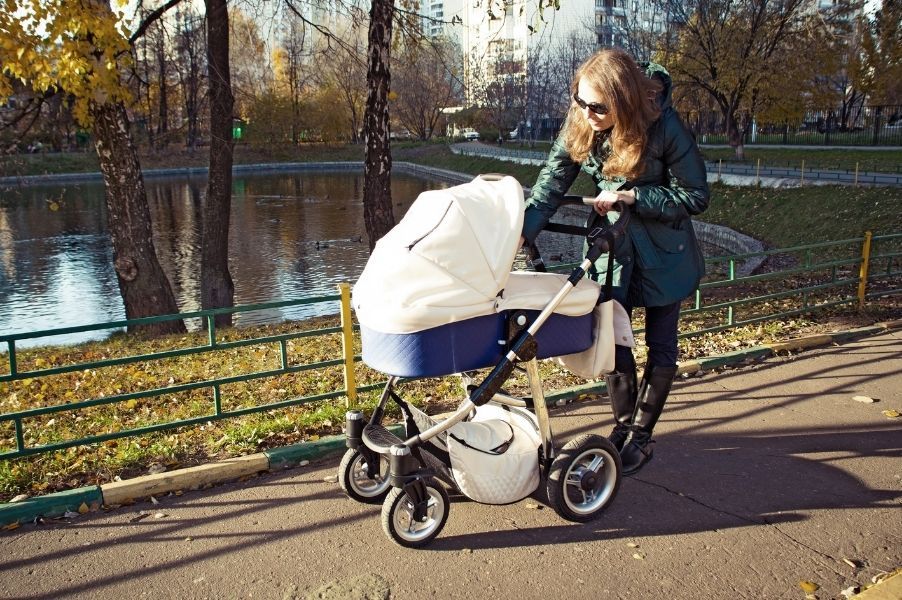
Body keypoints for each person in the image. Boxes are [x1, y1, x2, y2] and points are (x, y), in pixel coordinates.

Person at [521, 48, 709, 476]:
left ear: (624, 101)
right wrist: (521, 231)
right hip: (613, 249)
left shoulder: (664, 125)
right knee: (613, 338)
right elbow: (550, 186)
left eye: (598, 106)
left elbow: (695, 196)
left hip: (665, 253)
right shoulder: (582, 122)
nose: (587, 112)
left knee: (661, 346)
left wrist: (634, 196)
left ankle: (642, 437)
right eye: (580, 100)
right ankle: (624, 428)